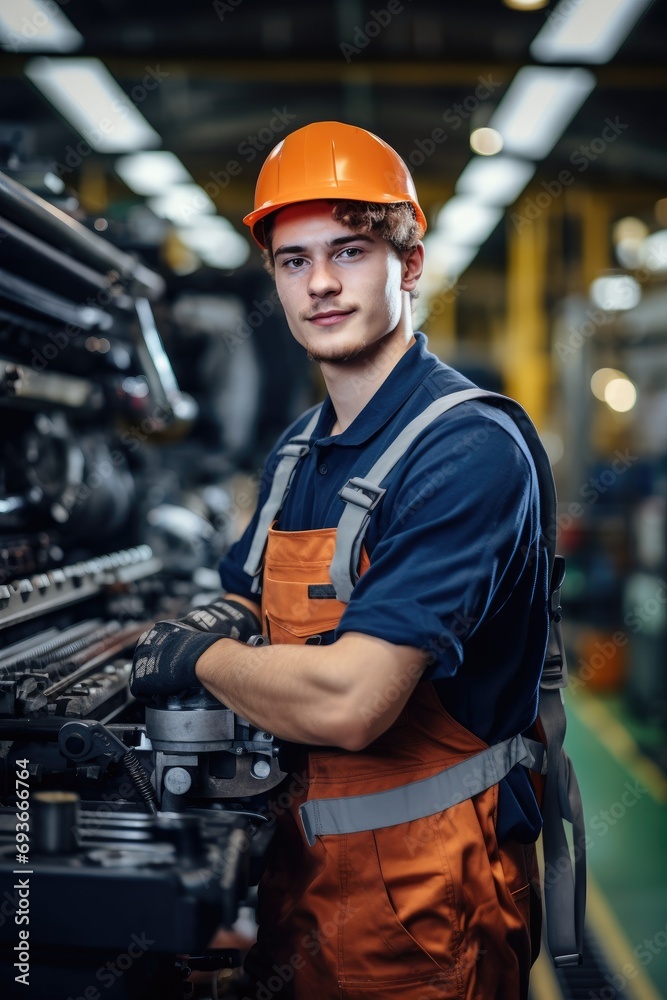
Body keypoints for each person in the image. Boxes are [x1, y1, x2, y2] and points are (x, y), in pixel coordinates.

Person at [130, 121, 553, 999]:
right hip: (303, 872)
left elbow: (356, 701)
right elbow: (252, 597)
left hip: (427, 908)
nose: (319, 283)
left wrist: (198, 657)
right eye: (292, 261)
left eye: (348, 251)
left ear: (407, 264)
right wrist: (226, 621)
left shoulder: (466, 450)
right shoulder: (301, 448)